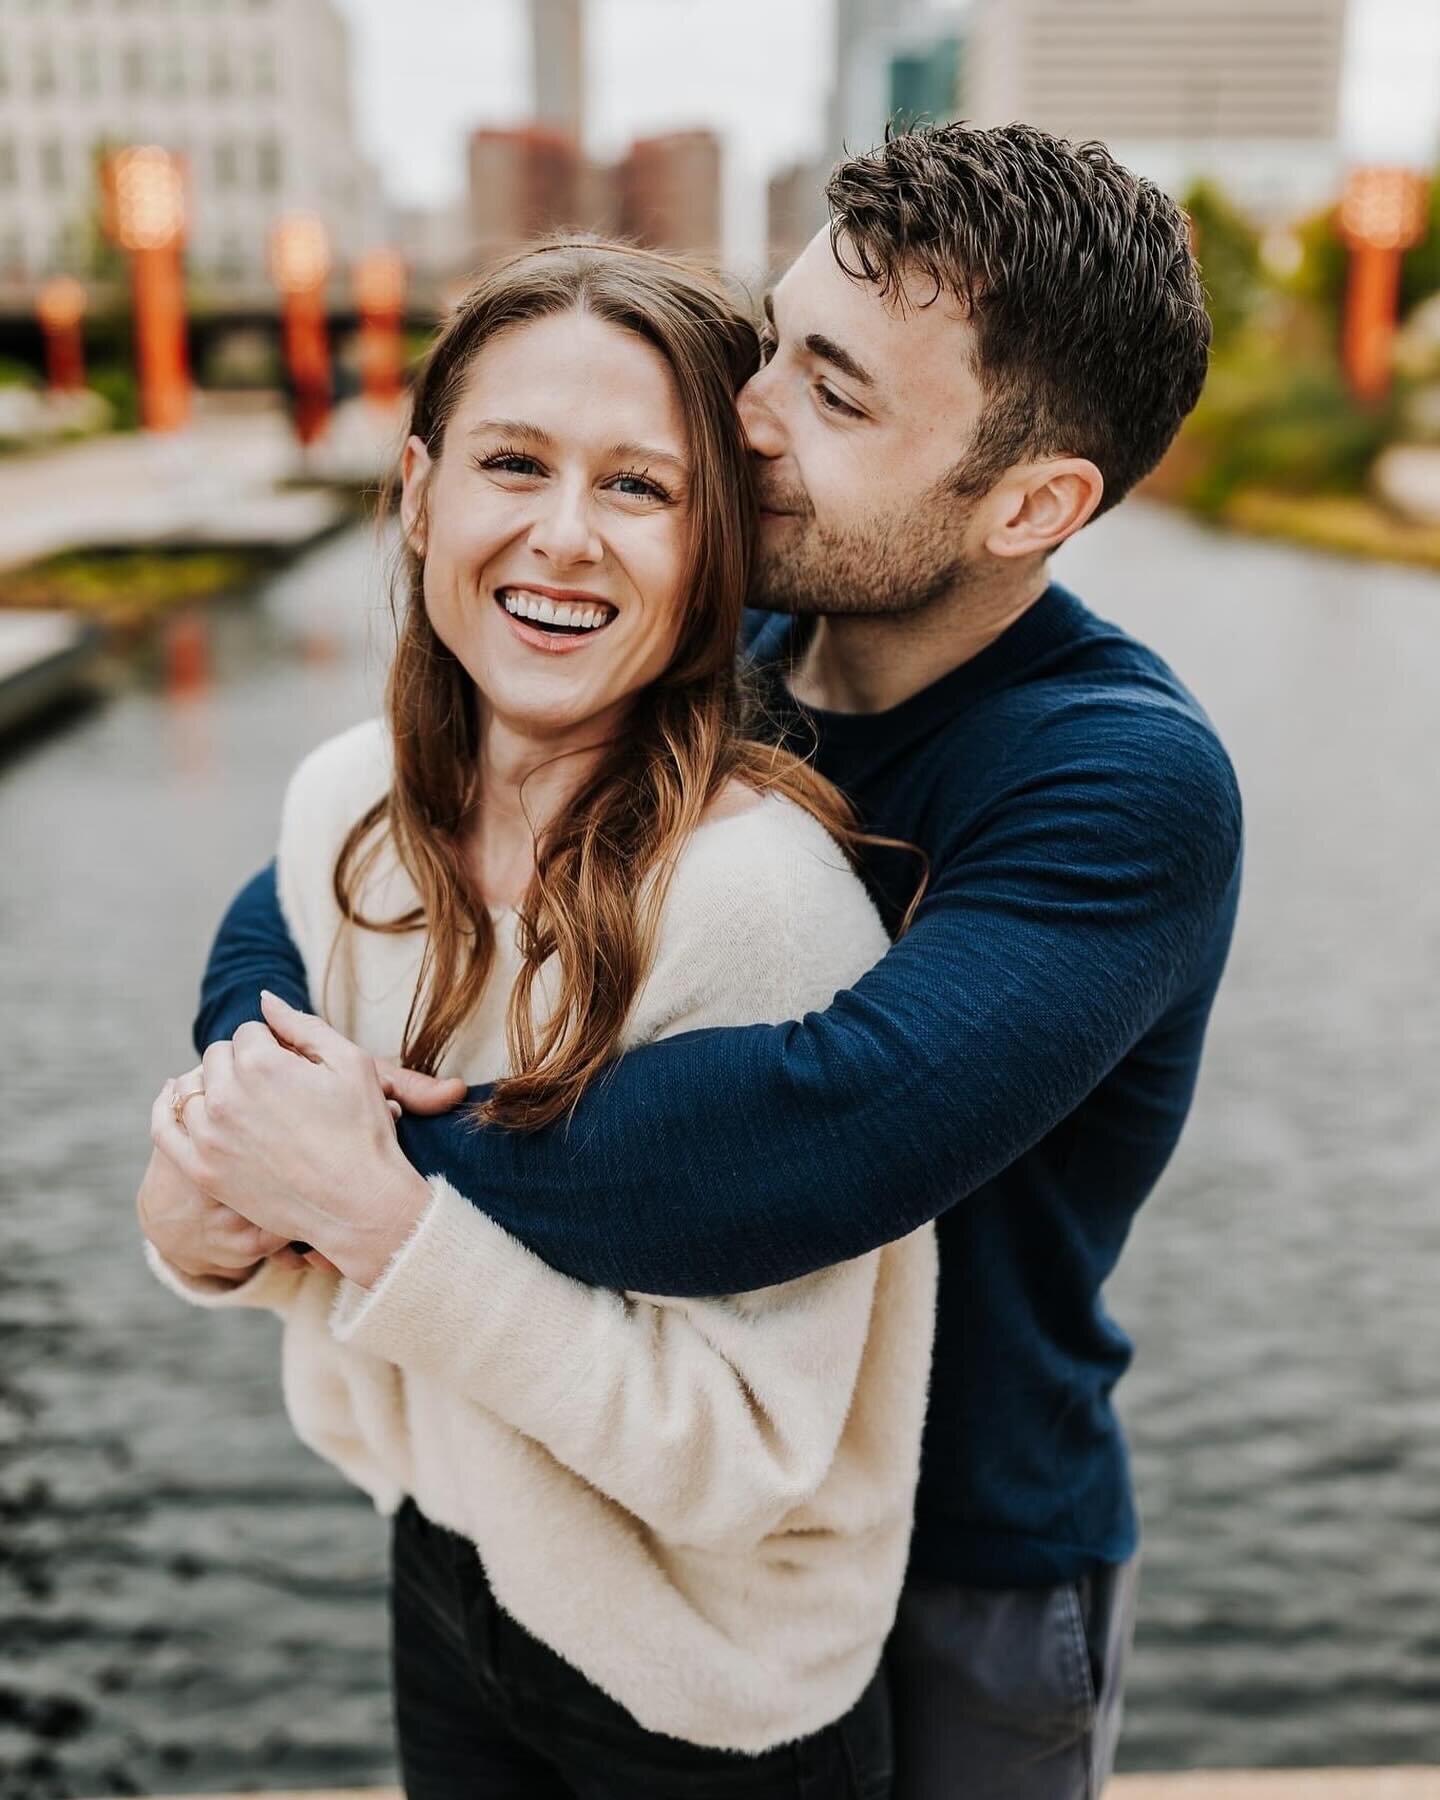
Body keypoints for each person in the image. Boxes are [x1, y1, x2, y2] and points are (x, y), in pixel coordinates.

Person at [143, 122, 1244, 1798]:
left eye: (838, 394)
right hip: (597, 1515)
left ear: (1035, 502)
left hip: (958, 1549)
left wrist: (359, 1175)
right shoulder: (737, 634)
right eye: (780, 341)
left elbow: (803, 1143)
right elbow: (327, 873)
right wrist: (256, 1104)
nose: (747, 417)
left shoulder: (1117, 780)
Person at [139, 239, 937, 1799]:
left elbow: (738, 1463)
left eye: (641, 488)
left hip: (710, 1687)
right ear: (424, 489)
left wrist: (376, 1223)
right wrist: (199, 1231)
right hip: (450, 1561)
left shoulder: (757, 908)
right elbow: (271, 1207)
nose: (561, 540)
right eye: (515, 462)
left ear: (718, 547)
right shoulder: (343, 807)